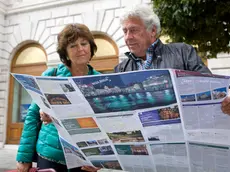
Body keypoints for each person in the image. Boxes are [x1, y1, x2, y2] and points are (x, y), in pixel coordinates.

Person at [16, 24, 100, 172]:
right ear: (65, 53)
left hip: (86, 159)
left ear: (91, 47)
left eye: (84, 43)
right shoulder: (50, 75)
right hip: (50, 156)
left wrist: (100, 159)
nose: (80, 49)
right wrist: (24, 158)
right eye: (73, 46)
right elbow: (32, 116)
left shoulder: (101, 80)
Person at [114, 4, 211, 74]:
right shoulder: (121, 69)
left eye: (133, 30)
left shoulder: (182, 53)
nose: (128, 37)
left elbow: (211, 88)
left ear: (152, 30)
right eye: (125, 31)